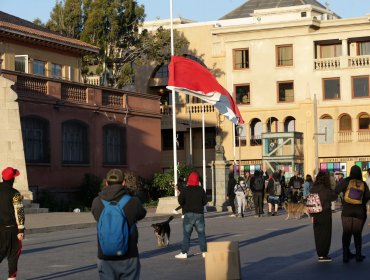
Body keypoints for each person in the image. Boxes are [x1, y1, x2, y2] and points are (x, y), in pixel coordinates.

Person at [91, 169, 147, 280]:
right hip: (128, 256)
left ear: (106, 183)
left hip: (105, 257)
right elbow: (142, 214)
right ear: (123, 183)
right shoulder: (133, 202)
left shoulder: (97, 202)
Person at [336, 165, 370, 263]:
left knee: (346, 233)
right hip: (359, 211)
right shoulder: (363, 183)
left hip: (346, 210)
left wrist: (344, 200)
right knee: (357, 233)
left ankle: (345, 255)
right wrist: (361, 202)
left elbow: (336, 191)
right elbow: (368, 196)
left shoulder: (345, 181)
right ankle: (358, 255)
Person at [0, 167, 25, 280]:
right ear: (12, 180)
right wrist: (21, 230)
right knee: (13, 255)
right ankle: (11, 278)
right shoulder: (15, 194)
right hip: (11, 229)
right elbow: (19, 213)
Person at [175, 172, 208, 259]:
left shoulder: (185, 189)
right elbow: (205, 202)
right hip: (199, 214)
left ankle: (184, 252)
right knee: (201, 234)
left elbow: (180, 201)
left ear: (189, 179)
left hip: (188, 214)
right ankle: (204, 251)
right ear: (197, 180)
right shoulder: (201, 189)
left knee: (186, 234)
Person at [309, 171, 337, 262]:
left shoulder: (313, 188)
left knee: (317, 234)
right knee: (326, 234)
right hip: (325, 213)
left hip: (315, 214)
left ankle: (320, 254)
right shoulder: (325, 190)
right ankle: (324, 254)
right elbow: (334, 196)